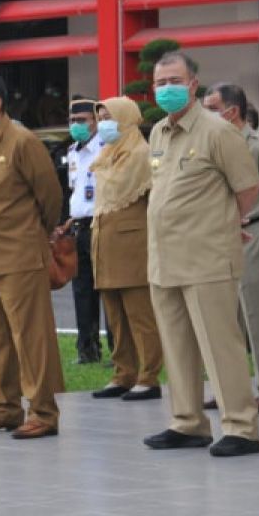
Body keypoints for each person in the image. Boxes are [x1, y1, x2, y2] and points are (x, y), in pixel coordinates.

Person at [141, 52, 259, 457]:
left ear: (193, 85)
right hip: (165, 257)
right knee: (177, 346)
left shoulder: (217, 131)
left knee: (219, 345)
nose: (166, 89)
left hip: (207, 256)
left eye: (174, 80)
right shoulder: (158, 131)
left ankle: (241, 427)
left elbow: (248, 188)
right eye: (159, 83)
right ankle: (188, 422)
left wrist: (225, 223)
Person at [0, 70, 66, 440]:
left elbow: (50, 197)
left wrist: (35, 233)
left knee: (30, 337)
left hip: (19, 256)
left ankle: (42, 411)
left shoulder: (22, 141)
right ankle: (4, 408)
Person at [201, 83, 259, 413]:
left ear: (232, 111)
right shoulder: (212, 144)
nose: (205, 114)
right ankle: (230, 388)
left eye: (211, 108)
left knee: (258, 312)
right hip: (220, 235)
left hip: (254, 230)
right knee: (224, 315)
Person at [89, 97, 162, 401]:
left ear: (127, 118)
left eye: (110, 117)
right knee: (115, 315)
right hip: (105, 242)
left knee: (140, 314)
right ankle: (123, 372)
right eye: (101, 117)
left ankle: (149, 376)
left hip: (133, 243)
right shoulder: (106, 155)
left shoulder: (142, 154)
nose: (104, 123)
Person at [57, 98, 105, 364]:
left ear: (96, 121)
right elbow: (74, 191)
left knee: (109, 290)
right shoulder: (73, 151)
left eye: (83, 120)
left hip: (102, 223)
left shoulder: (106, 148)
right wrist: (66, 221)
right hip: (79, 226)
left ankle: (118, 349)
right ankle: (87, 348)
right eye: (73, 121)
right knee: (82, 289)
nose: (77, 125)